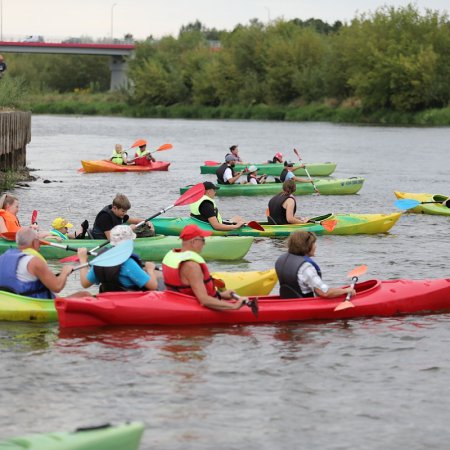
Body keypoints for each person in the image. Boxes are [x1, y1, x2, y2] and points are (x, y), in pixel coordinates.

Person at [162, 224, 248, 310]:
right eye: (203, 240)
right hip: (192, 308)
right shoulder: (192, 266)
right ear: (194, 242)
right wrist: (234, 306)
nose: (204, 244)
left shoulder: (174, 255)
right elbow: (204, 300)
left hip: (180, 302)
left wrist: (221, 295)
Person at [0, 227, 88, 299]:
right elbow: (57, 287)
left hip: (11, 301)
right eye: (39, 242)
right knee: (85, 295)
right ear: (35, 242)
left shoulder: (3, 257)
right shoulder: (34, 261)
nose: (40, 245)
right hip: (33, 305)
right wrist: (65, 272)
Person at [78, 225, 160, 292]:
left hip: (108, 301)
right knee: (157, 277)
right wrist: (150, 270)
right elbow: (153, 286)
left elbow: (85, 284)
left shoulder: (101, 261)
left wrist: (83, 260)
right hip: (128, 305)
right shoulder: (129, 263)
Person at [275, 230, 356, 299]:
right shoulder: (305, 267)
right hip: (303, 306)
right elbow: (325, 292)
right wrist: (346, 290)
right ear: (306, 246)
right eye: (313, 243)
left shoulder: (280, 260)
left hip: (287, 301)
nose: (315, 246)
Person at [90, 193, 154, 240]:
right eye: (123, 211)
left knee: (144, 229)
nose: (125, 213)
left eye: (126, 211)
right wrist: (128, 229)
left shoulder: (119, 214)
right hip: (103, 239)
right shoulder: (105, 217)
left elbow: (134, 220)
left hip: (113, 236)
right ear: (115, 208)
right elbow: (110, 238)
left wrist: (145, 221)